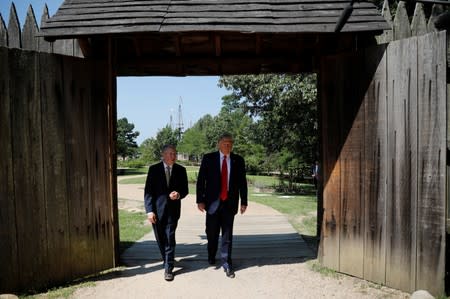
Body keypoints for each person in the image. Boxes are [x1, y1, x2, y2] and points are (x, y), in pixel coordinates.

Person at [196, 133, 248, 278]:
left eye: (230, 143)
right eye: (225, 142)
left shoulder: (238, 160)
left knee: (227, 235)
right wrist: (200, 200)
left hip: (229, 204)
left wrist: (244, 201)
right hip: (212, 204)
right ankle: (211, 254)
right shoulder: (208, 158)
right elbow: (201, 181)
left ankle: (226, 263)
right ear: (219, 143)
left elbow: (242, 183)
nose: (228, 145)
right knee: (211, 233)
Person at [144, 144, 188, 281]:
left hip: (173, 211)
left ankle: (168, 268)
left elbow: (185, 190)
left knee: (169, 238)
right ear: (163, 155)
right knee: (161, 238)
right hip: (157, 212)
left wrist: (178, 194)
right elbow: (148, 192)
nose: (173, 156)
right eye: (170, 154)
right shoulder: (153, 169)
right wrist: (149, 211)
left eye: (174, 153)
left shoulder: (181, 170)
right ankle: (167, 259)